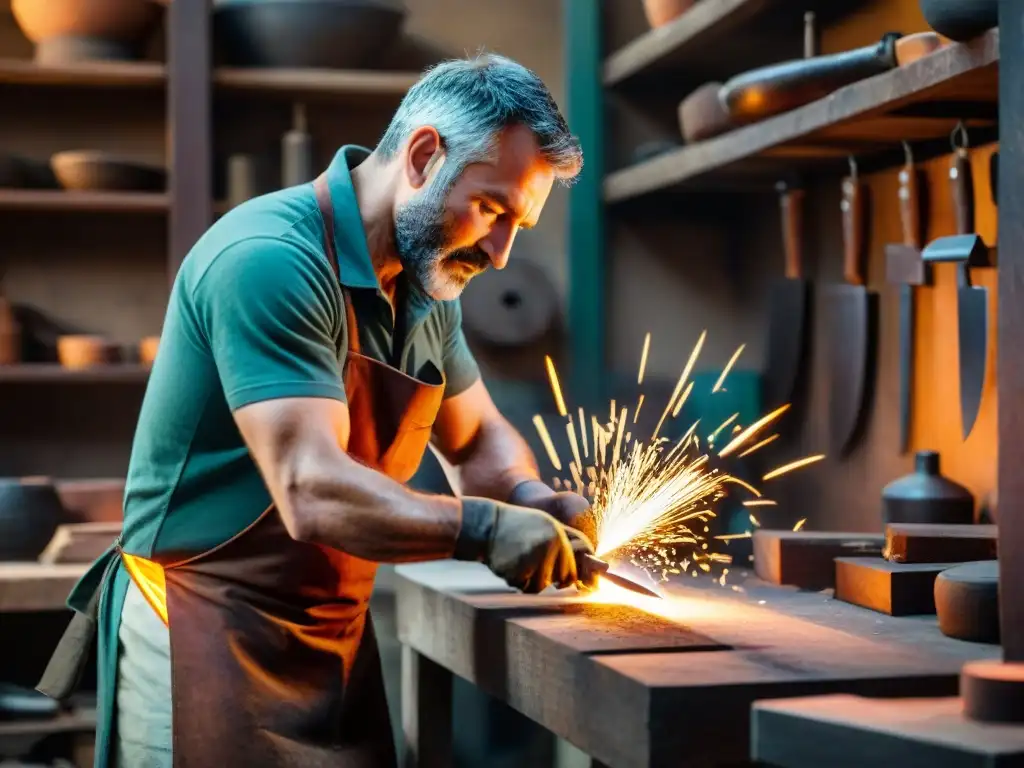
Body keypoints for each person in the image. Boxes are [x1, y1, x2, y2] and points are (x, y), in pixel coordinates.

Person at [36, 53, 594, 767]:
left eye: (518, 223)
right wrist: (485, 529)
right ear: (423, 155)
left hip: (328, 642)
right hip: (204, 629)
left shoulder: (425, 284)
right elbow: (310, 489)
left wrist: (530, 498)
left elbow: (478, 435)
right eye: (492, 209)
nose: (501, 252)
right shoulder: (270, 259)